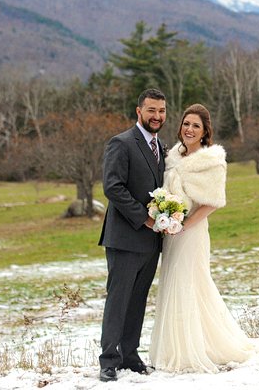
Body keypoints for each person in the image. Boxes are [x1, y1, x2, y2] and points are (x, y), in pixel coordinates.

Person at [149, 103, 259, 373]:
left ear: (205, 131)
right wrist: (165, 216)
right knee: (172, 283)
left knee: (190, 283)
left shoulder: (211, 161)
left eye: (196, 126)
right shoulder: (172, 155)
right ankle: (176, 346)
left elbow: (212, 202)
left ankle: (198, 349)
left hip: (192, 232)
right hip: (171, 231)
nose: (189, 129)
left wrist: (185, 224)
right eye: (186, 124)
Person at [98, 88, 167, 382]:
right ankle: (108, 360)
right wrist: (145, 218)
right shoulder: (122, 143)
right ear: (139, 111)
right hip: (126, 237)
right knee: (119, 298)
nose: (157, 116)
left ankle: (129, 354)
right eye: (151, 110)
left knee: (138, 299)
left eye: (162, 111)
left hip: (152, 241)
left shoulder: (163, 147)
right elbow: (113, 187)